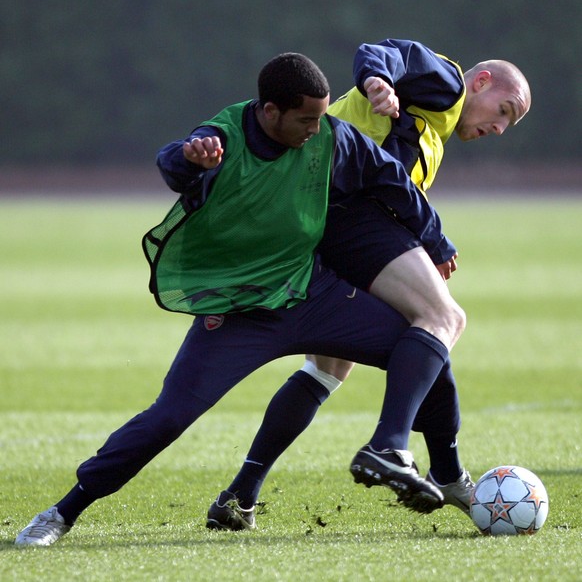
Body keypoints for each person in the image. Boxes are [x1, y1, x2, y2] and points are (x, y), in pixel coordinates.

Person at [15, 52, 458, 547]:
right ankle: (62, 512)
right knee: (169, 418)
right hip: (240, 312)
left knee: (424, 345)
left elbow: (394, 184)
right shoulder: (222, 137)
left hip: (311, 294)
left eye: (321, 115)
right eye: (306, 119)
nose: (317, 128)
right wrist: (188, 160)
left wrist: (436, 243)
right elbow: (174, 160)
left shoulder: (333, 136)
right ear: (270, 111)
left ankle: (438, 469)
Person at [207, 39, 531, 530]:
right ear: (481, 82)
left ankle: (240, 495)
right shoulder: (448, 84)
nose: (499, 127)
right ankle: (404, 451)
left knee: (332, 367)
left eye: (510, 124)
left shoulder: (434, 129)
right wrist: (377, 79)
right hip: (346, 217)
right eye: (503, 110)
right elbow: (387, 51)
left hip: (313, 220)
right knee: (441, 320)